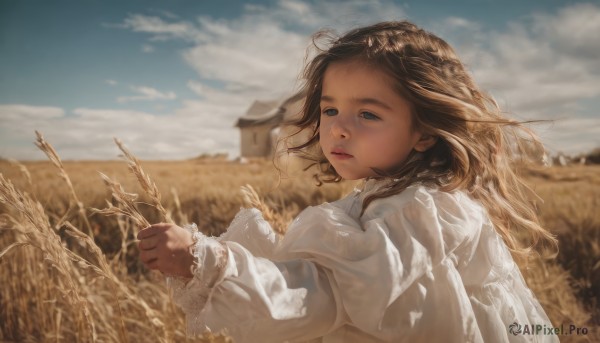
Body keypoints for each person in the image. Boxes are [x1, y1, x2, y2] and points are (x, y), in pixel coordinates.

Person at [137, 21, 559, 342]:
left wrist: (206, 261)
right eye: (330, 110)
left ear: (425, 131)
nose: (338, 129)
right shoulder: (410, 195)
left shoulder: (425, 208)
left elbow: (324, 293)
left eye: (368, 114)